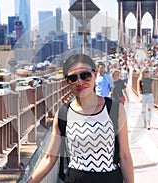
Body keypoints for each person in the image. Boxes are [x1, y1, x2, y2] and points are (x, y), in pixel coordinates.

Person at [28, 54, 134, 183]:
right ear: (68, 82)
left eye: (85, 75)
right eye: (73, 78)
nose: (79, 82)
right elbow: (50, 157)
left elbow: (124, 156)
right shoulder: (63, 113)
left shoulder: (115, 108)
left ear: (94, 75)